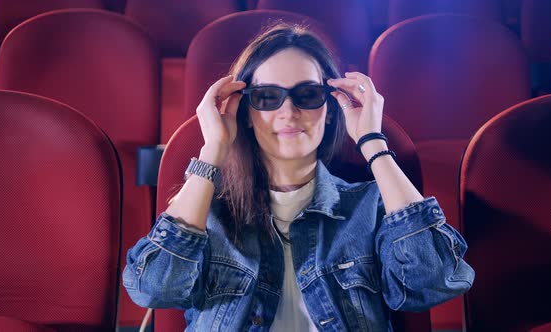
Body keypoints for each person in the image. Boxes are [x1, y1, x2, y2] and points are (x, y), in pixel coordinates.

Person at [123, 23, 474, 331]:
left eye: (307, 94)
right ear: (246, 112)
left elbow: (435, 280)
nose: (288, 111)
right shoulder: (204, 212)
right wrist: (214, 147)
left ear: (331, 109)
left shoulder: (372, 206)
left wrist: (372, 141)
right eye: (267, 97)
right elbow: (154, 288)